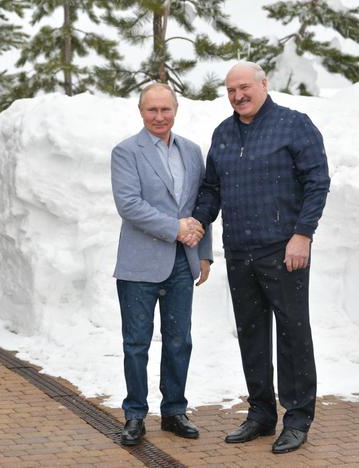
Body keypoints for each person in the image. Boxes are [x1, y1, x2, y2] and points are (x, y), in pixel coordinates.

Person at [192, 62, 330, 454]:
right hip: (239, 251)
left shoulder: (293, 125)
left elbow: (317, 182)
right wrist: (197, 223)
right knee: (251, 334)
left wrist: (302, 235)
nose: (238, 95)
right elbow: (211, 190)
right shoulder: (223, 133)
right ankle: (261, 413)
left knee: (292, 333)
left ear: (263, 84)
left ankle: (298, 418)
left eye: (244, 87)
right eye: (231, 90)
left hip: (283, 250)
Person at [111, 83, 213, 446]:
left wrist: (203, 252)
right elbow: (129, 205)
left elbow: (201, 204)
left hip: (183, 263)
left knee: (178, 341)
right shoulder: (126, 152)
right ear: (141, 112)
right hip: (139, 265)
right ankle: (135, 415)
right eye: (152, 110)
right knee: (136, 343)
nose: (159, 117)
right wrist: (175, 229)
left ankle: (174, 411)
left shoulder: (191, 151)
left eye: (165, 110)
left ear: (175, 110)